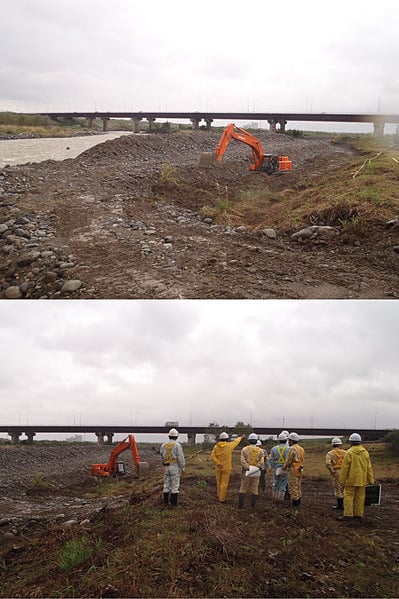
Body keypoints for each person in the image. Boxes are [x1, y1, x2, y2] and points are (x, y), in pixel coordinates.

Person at [339, 433, 375, 520]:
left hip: (351, 479)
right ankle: (358, 514)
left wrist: (342, 480)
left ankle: (348, 515)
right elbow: (369, 467)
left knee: (348, 496)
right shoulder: (365, 453)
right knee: (360, 497)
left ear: (350, 442)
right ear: (360, 442)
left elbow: (345, 468)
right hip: (362, 480)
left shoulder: (349, 453)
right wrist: (371, 480)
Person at [211, 431, 243, 503]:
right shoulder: (229, 446)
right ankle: (221, 499)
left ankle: (218, 495)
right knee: (224, 483)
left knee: (218, 482)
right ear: (227, 439)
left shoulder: (216, 447)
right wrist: (240, 437)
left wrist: (218, 463)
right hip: (226, 468)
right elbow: (236, 442)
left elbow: (213, 456)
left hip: (218, 467)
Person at [238, 433, 265, 509]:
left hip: (246, 471)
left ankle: (240, 506)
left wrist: (248, 467)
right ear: (256, 441)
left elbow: (242, 461)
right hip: (256, 471)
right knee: (254, 489)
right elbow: (262, 461)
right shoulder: (260, 451)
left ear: (249, 440)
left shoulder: (244, 449)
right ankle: (253, 506)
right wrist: (256, 467)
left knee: (243, 488)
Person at [160, 428, 185, 507]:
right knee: (175, 486)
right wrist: (183, 468)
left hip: (166, 467)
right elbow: (180, 458)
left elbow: (161, 455)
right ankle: (174, 504)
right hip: (174, 467)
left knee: (166, 484)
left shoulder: (163, 445)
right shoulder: (177, 445)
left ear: (169, 436)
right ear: (176, 437)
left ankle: (166, 502)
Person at [281, 432, 305, 507]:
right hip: (300, 468)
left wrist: (284, 467)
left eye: (289, 440)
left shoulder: (292, 449)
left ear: (291, 440)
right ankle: (298, 501)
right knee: (298, 485)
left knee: (292, 486)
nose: (288, 442)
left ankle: (295, 505)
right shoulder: (301, 448)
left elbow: (288, 461)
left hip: (293, 469)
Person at [325, 437, 346, 510]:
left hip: (336, 471)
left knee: (338, 488)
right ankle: (346, 505)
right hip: (344, 471)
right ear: (340, 445)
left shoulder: (330, 453)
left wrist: (331, 470)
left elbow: (327, 463)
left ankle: (340, 506)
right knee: (345, 488)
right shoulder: (345, 452)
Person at [269, 432, 289, 502]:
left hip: (276, 468)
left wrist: (274, 467)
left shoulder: (273, 449)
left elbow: (271, 459)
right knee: (283, 483)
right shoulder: (289, 449)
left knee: (276, 482)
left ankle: (274, 498)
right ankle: (281, 499)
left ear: (278, 440)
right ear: (286, 440)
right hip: (285, 468)